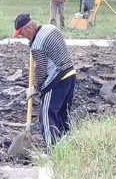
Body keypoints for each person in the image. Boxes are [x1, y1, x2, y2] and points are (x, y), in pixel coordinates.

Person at [13, 13, 76, 150]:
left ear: (29, 28)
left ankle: (52, 150)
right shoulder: (51, 28)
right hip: (70, 74)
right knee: (62, 114)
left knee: (46, 115)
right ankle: (66, 146)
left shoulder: (37, 44)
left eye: (22, 33)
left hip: (56, 81)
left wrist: (35, 88)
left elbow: (41, 70)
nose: (23, 37)